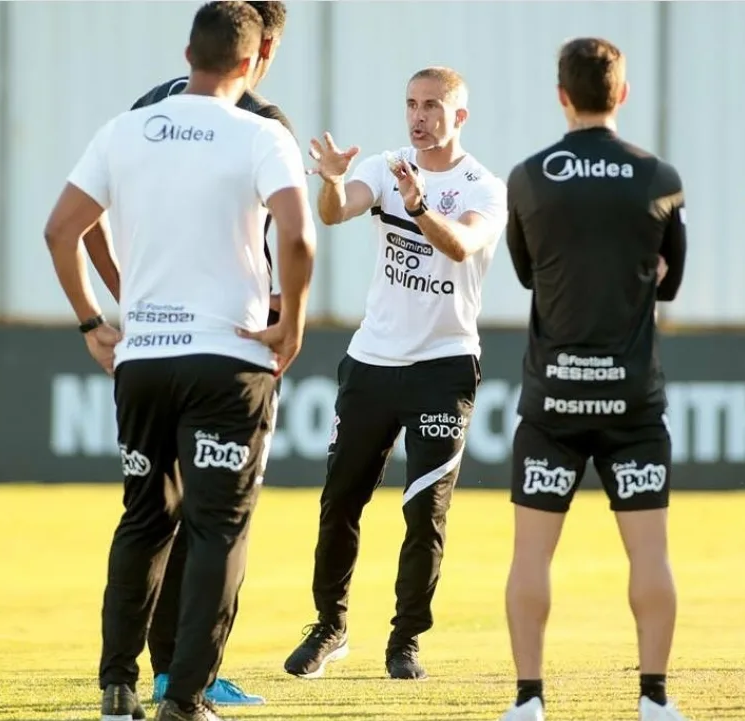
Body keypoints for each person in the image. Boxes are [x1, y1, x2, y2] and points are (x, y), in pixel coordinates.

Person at [43, 3, 314, 720]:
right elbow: (299, 237)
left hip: (144, 358)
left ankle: (116, 684)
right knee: (217, 524)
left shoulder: (122, 130)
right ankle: (186, 697)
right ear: (254, 63)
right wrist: (292, 323)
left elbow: (61, 228)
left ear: (187, 51)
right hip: (229, 358)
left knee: (143, 518)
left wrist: (91, 320)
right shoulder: (263, 132)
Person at [283, 66, 507, 681]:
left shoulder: (483, 186)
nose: (419, 116)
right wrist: (330, 182)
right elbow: (336, 212)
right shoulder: (384, 167)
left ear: (459, 116)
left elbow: (462, 245)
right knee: (341, 501)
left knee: (424, 511)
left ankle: (405, 640)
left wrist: (419, 208)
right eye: (411, 104)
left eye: (433, 105)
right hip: (372, 361)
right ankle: (330, 628)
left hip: (444, 366)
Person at [496, 38, 689, 721]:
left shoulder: (526, 177)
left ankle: (528, 700)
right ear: (623, 94)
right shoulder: (660, 177)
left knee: (531, 554)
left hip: (552, 399)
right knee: (650, 552)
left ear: (562, 95)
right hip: (633, 402)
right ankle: (655, 698)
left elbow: (526, 273)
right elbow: (671, 282)